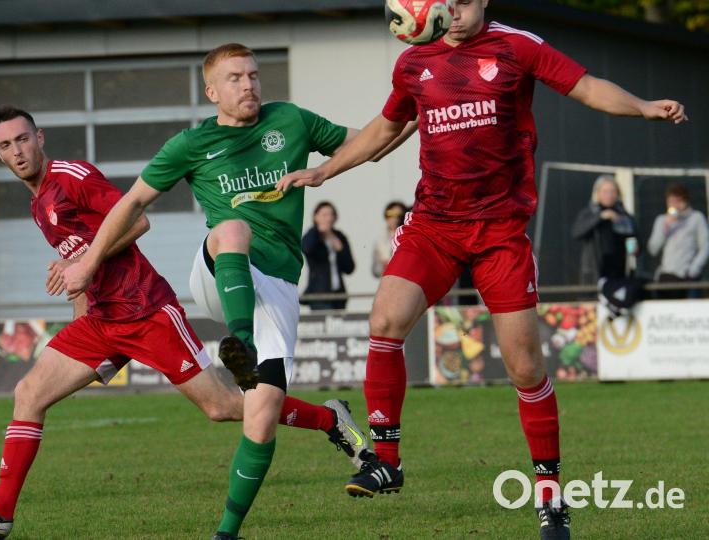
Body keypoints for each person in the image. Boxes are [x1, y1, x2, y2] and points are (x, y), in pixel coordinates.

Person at [276, 2, 687, 538]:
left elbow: (585, 86)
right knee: (384, 323)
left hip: (499, 233)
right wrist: (326, 170)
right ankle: (387, 461)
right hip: (434, 227)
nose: (458, 11)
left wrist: (644, 106)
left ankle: (550, 496)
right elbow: (385, 127)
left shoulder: (517, 46)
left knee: (524, 369)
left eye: (467, 1)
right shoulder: (413, 62)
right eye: (448, 1)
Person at [0, 106, 367, 539]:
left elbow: (137, 221)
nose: (18, 151)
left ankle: (330, 421)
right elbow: (82, 262)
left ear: (40, 138)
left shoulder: (73, 176)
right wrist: (77, 308)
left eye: (23, 139)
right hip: (102, 320)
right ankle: (0, 512)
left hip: (145, 312)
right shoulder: (38, 200)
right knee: (28, 393)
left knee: (222, 407)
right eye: (6, 146)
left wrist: (83, 261)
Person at [60, 43, 413, 540]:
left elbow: (372, 143)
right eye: (234, 78)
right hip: (218, 274)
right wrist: (89, 261)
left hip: (280, 285)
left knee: (262, 415)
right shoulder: (191, 144)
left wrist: (422, 106)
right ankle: (241, 344)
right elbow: (133, 201)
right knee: (232, 228)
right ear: (212, 91)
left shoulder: (291, 120)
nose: (247, 85)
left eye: (252, 75)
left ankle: (226, 533)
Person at [571, 175, 638, 285]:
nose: (609, 195)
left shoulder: (625, 217)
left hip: (619, 274)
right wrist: (600, 217)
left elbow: (635, 240)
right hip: (595, 274)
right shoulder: (589, 213)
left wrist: (636, 248)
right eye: (605, 191)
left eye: (612, 191)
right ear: (597, 193)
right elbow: (577, 232)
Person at [647, 183, 709, 299]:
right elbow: (653, 249)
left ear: (686, 201)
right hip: (666, 276)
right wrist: (665, 228)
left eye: (678, 201)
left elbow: (705, 246)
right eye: (671, 201)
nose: (674, 205)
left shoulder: (696, 218)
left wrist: (693, 269)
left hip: (688, 277)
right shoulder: (661, 220)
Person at [302, 201, 355, 310]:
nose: (328, 218)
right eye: (324, 215)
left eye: (331, 214)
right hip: (319, 295)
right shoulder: (312, 235)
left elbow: (349, 268)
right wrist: (317, 230)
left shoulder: (339, 236)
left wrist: (339, 247)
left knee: (338, 326)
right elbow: (306, 248)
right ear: (316, 217)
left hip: (339, 295)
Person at [372, 201, 408, 278]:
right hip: (388, 283)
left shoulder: (410, 238)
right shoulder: (380, 241)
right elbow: (375, 271)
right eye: (391, 214)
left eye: (399, 215)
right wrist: (383, 266)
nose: (395, 218)